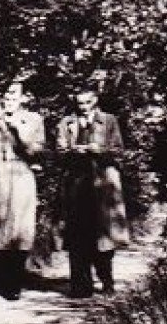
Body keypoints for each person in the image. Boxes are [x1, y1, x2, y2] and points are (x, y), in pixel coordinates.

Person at [0, 80, 46, 300]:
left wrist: (19, 128)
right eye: (6, 96)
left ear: (23, 98)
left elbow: (37, 150)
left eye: (14, 97)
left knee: (21, 229)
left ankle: (14, 282)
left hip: (22, 173)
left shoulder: (33, 120)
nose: (9, 101)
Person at [56, 87, 130, 297]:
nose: (83, 107)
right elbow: (59, 152)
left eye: (87, 102)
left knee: (102, 234)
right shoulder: (66, 123)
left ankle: (107, 281)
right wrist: (73, 151)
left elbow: (118, 151)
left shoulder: (108, 121)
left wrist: (100, 150)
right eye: (80, 103)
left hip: (102, 185)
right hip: (76, 184)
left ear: (95, 101)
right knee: (77, 235)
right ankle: (80, 285)